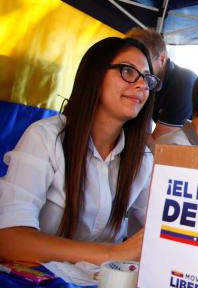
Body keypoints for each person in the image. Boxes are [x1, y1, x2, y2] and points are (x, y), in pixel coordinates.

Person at [0, 37, 158, 264]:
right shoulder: (46, 138)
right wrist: (113, 253)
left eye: (147, 78)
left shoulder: (142, 160)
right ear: (94, 75)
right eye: (128, 71)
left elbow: (163, 226)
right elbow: (8, 239)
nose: (142, 85)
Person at [125, 28, 197, 142]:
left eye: (145, 61)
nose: (136, 70)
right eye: (130, 66)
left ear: (162, 58)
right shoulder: (147, 81)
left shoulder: (184, 83)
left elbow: (159, 143)